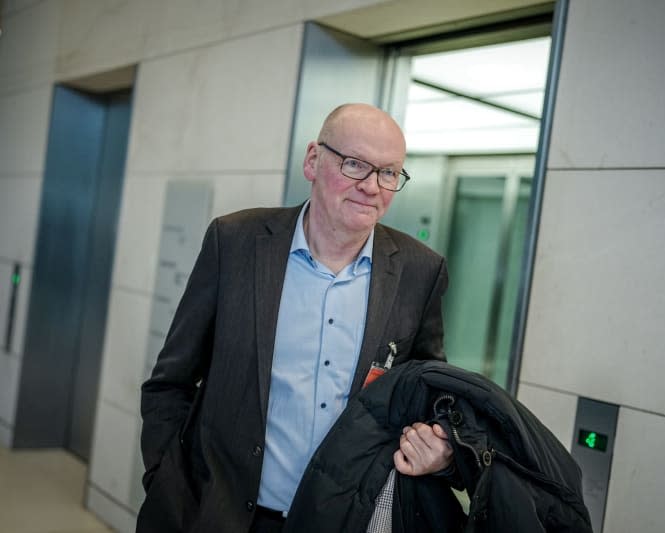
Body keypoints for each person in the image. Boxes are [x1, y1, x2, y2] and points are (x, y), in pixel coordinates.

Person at [137, 103, 453, 533]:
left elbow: (431, 394)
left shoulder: (420, 272)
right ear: (312, 160)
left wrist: (440, 446)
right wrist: (166, 485)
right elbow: (169, 384)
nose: (371, 187)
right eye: (355, 164)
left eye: (389, 172)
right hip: (218, 514)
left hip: (339, 520)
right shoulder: (234, 243)